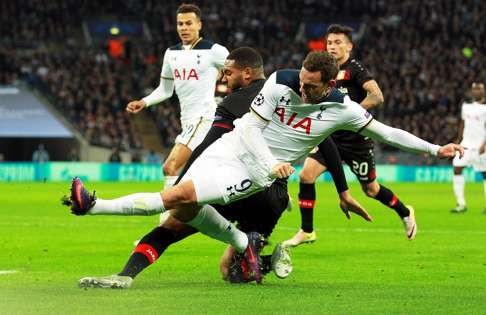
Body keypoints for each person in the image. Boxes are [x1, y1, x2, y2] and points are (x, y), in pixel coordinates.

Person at [67, 51, 464, 286]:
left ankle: (91, 205)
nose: (301, 90)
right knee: (182, 211)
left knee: (178, 198)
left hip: (256, 175)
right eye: (302, 82)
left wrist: (435, 148)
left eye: (311, 86)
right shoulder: (280, 83)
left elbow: (388, 132)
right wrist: (272, 160)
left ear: (328, 84)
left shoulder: (342, 108)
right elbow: (252, 129)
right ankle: (246, 247)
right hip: (237, 150)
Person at [284, 24, 418, 246]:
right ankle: (307, 230)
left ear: (349, 46)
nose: (332, 46)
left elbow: (377, 96)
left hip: (357, 142)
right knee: (306, 176)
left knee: (371, 190)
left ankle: (405, 212)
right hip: (331, 139)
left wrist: (351, 113)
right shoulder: (322, 72)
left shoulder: (354, 69)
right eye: (329, 42)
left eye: (338, 42)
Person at [125, 3, 229, 192]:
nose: (184, 28)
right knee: (202, 174)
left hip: (204, 118)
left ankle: (167, 218)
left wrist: (228, 93)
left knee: (170, 167)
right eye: (180, 24)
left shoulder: (215, 51)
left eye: (189, 23)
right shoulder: (171, 53)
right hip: (187, 120)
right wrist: (143, 102)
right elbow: (165, 90)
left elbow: (237, 73)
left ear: (199, 25)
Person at [451, 82, 486, 213]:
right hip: (465, 145)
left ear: (484, 91)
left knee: (485, 174)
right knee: (457, 168)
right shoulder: (466, 107)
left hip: (480, 146)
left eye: (479, 89)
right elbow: (462, 124)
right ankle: (461, 204)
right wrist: (458, 140)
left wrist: (485, 144)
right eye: (474, 89)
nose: (476, 91)